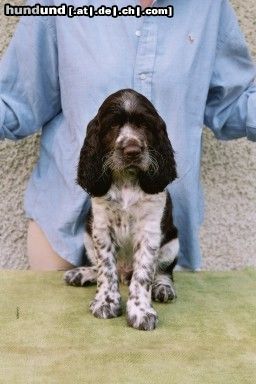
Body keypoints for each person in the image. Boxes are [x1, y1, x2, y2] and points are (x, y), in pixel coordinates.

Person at [0, 0, 256, 271]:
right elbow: (16, 100)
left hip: (157, 246)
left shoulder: (209, 6)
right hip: (65, 239)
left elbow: (233, 102)